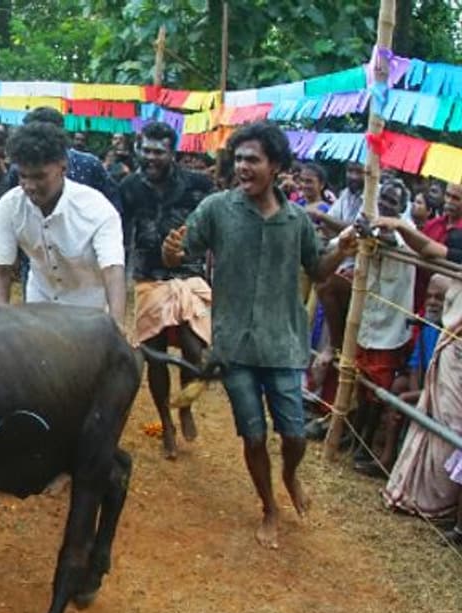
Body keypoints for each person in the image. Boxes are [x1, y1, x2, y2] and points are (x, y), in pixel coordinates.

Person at [162, 121, 357, 549]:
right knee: (252, 434)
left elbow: (318, 269)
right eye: (239, 158)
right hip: (233, 346)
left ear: (276, 167)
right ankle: (268, 505)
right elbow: (182, 248)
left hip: (285, 344)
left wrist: (341, 249)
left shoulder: (296, 221)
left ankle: (289, 475)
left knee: (293, 435)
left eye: (253, 159)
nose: (242, 166)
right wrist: (171, 251)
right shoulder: (217, 208)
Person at [119, 121, 215, 459]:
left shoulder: (199, 185)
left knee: (193, 346)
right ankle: (167, 425)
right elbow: (121, 233)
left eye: (158, 151)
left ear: (173, 153)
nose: (151, 157)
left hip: (189, 273)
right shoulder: (128, 187)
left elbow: (213, 227)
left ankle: (185, 405)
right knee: (155, 354)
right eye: (145, 150)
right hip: (149, 276)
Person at [0, 121, 127, 330]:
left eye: (39, 177)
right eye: (23, 176)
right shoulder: (10, 206)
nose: (29, 186)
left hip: (89, 317)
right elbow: (1, 271)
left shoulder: (97, 209)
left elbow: (113, 271)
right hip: (38, 310)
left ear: (63, 167)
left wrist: (117, 329)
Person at [347, 180, 417, 474]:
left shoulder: (406, 230)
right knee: (360, 382)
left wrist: (376, 231)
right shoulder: (371, 221)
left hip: (388, 327)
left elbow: (393, 242)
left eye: (392, 201)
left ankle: (364, 446)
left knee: (378, 389)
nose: (386, 205)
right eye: (383, 199)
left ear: (402, 207)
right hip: (367, 322)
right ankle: (355, 438)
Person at [380, 274, 461, 521]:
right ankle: (386, 457)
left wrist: (416, 396)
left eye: (441, 298)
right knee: (399, 390)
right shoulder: (430, 327)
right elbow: (417, 365)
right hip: (429, 392)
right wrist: (418, 397)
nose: (434, 303)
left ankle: (443, 508)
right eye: (430, 297)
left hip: (448, 400)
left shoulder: (451, 330)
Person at [5, 108, 120, 212]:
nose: (30, 186)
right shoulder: (17, 169)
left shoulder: (89, 164)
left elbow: (114, 206)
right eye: (25, 177)